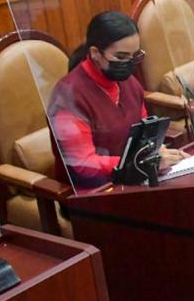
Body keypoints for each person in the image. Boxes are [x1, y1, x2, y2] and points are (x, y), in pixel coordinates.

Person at [48, 12, 187, 187]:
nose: (129, 63)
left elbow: (143, 133)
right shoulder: (68, 97)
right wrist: (141, 163)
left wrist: (160, 152)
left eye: (134, 56)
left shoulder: (129, 83)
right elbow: (83, 164)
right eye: (121, 57)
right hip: (94, 189)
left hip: (132, 177)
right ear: (95, 53)